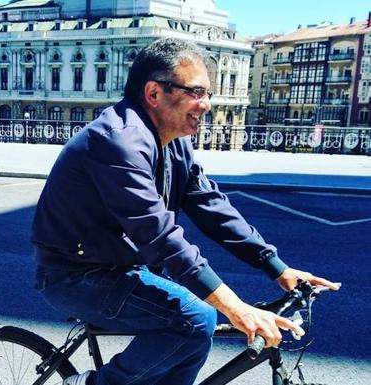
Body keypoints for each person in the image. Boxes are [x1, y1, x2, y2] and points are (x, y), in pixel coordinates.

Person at [31, 38, 339, 385]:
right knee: (194, 319)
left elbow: (212, 207)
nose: (206, 105)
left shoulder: (173, 142)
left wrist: (277, 268)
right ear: (154, 93)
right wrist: (236, 308)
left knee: (192, 333)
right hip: (74, 276)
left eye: (208, 93)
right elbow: (160, 236)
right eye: (196, 92)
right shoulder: (118, 142)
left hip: (119, 266)